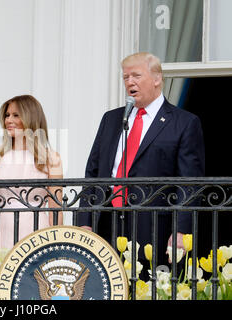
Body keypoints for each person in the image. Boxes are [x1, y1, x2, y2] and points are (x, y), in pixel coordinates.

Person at [77, 52, 205, 275]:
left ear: (157, 79)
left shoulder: (184, 123)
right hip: (107, 220)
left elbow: (189, 183)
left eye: (136, 75)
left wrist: (181, 231)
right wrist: (84, 221)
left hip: (154, 225)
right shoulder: (112, 119)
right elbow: (93, 172)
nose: (130, 82)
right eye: (125, 77)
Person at [0, 95, 63, 277]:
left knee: (35, 288)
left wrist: (56, 247)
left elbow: (55, 208)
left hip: (36, 233)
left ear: (31, 118)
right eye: (7, 115)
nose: (9, 120)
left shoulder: (51, 158)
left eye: (16, 115)